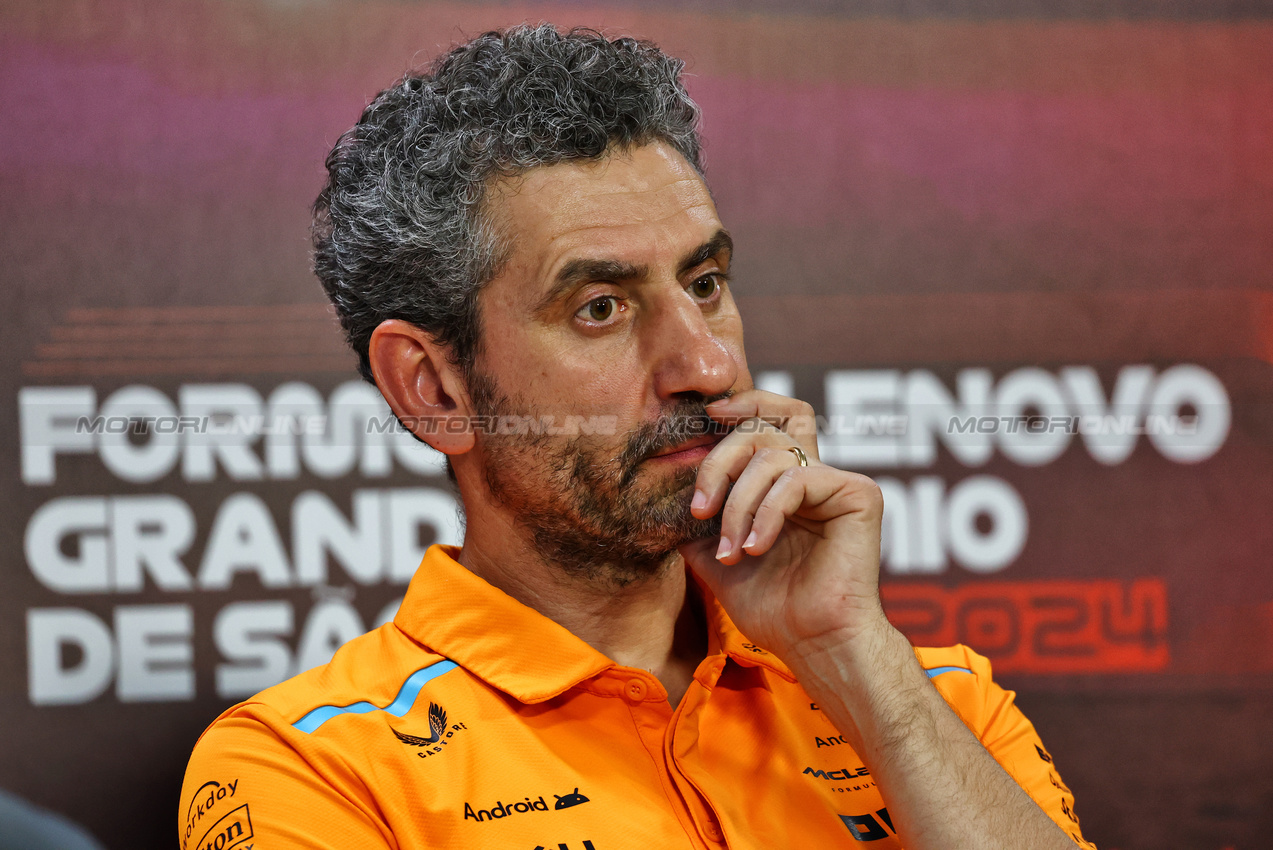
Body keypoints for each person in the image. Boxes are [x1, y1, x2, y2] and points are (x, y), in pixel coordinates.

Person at [180, 24, 1094, 850]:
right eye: (601, 308)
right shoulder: (309, 773)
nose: (703, 365)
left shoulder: (931, 696)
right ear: (434, 388)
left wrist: (852, 656)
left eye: (703, 283)